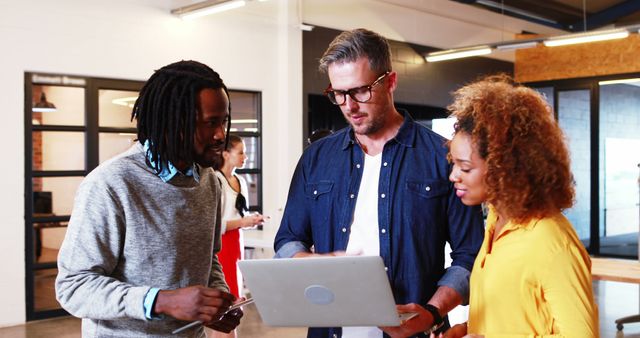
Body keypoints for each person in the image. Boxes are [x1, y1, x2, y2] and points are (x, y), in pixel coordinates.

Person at [274, 28, 485, 338]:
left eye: (360, 91)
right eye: (338, 93)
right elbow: (288, 239)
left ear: (391, 81)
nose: (349, 106)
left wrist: (431, 311)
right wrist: (313, 262)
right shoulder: (316, 159)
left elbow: (471, 254)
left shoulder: (442, 158)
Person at [55, 60, 244, 338]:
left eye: (224, 121)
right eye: (209, 123)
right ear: (173, 122)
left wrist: (217, 300)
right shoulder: (112, 183)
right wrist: (162, 301)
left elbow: (207, 258)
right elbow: (73, 287)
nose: (219, 135)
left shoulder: (209, 182)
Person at [439, 74, 598, 338]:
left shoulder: (552, 243)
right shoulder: (496, 222)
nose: (453, 175)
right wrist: (467, 330)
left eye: (465, 167)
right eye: (453, 163)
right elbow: (514, 317)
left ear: (505, 167)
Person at [212, 134, 266, 338]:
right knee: (226, 305)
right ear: (225, 154)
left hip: (236, 243)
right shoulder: (215, 180)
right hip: (221, 246)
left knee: (234, 304)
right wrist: (243, 222)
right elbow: (215, 225)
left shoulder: (239, 180)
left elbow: (237, 217)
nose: (245, 156)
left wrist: (251, 220)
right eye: (240, 152)